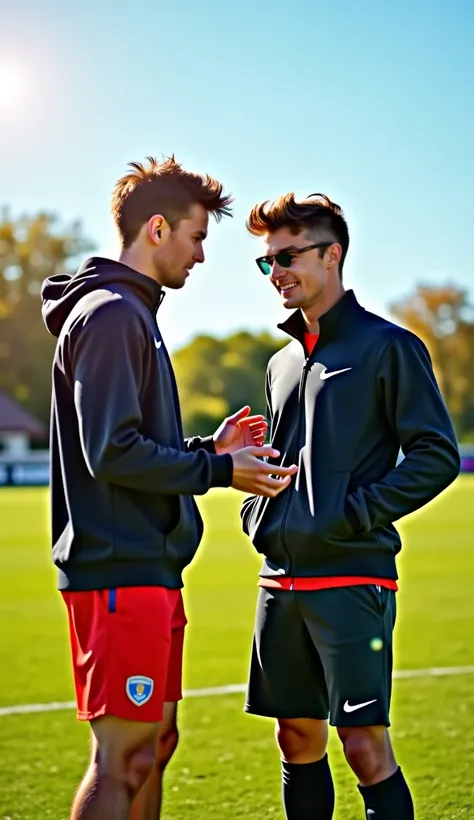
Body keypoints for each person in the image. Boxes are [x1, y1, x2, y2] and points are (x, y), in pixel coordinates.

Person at [40, 156, 298, 820]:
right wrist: (218, 471)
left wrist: (209, 451)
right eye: (197, 237)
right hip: (118, 570)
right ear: (157, 229)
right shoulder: (110, 314)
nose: (202, 256)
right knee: (123, 757)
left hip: (148, 567)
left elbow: (129, 442)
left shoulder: (133, 313)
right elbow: (111, 452)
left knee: (154, 745)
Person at [240, 192, 460, 820]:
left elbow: (435, 454)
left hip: (351, 577)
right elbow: (283, 461)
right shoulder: (281, 363)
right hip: (279, 580)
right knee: (295, 737)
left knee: (364, 746)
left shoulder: (390, 346)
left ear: (331, 254)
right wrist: (259, 512)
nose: (276, 272)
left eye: (286, 257)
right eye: (266, 263)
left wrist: (352, 513)